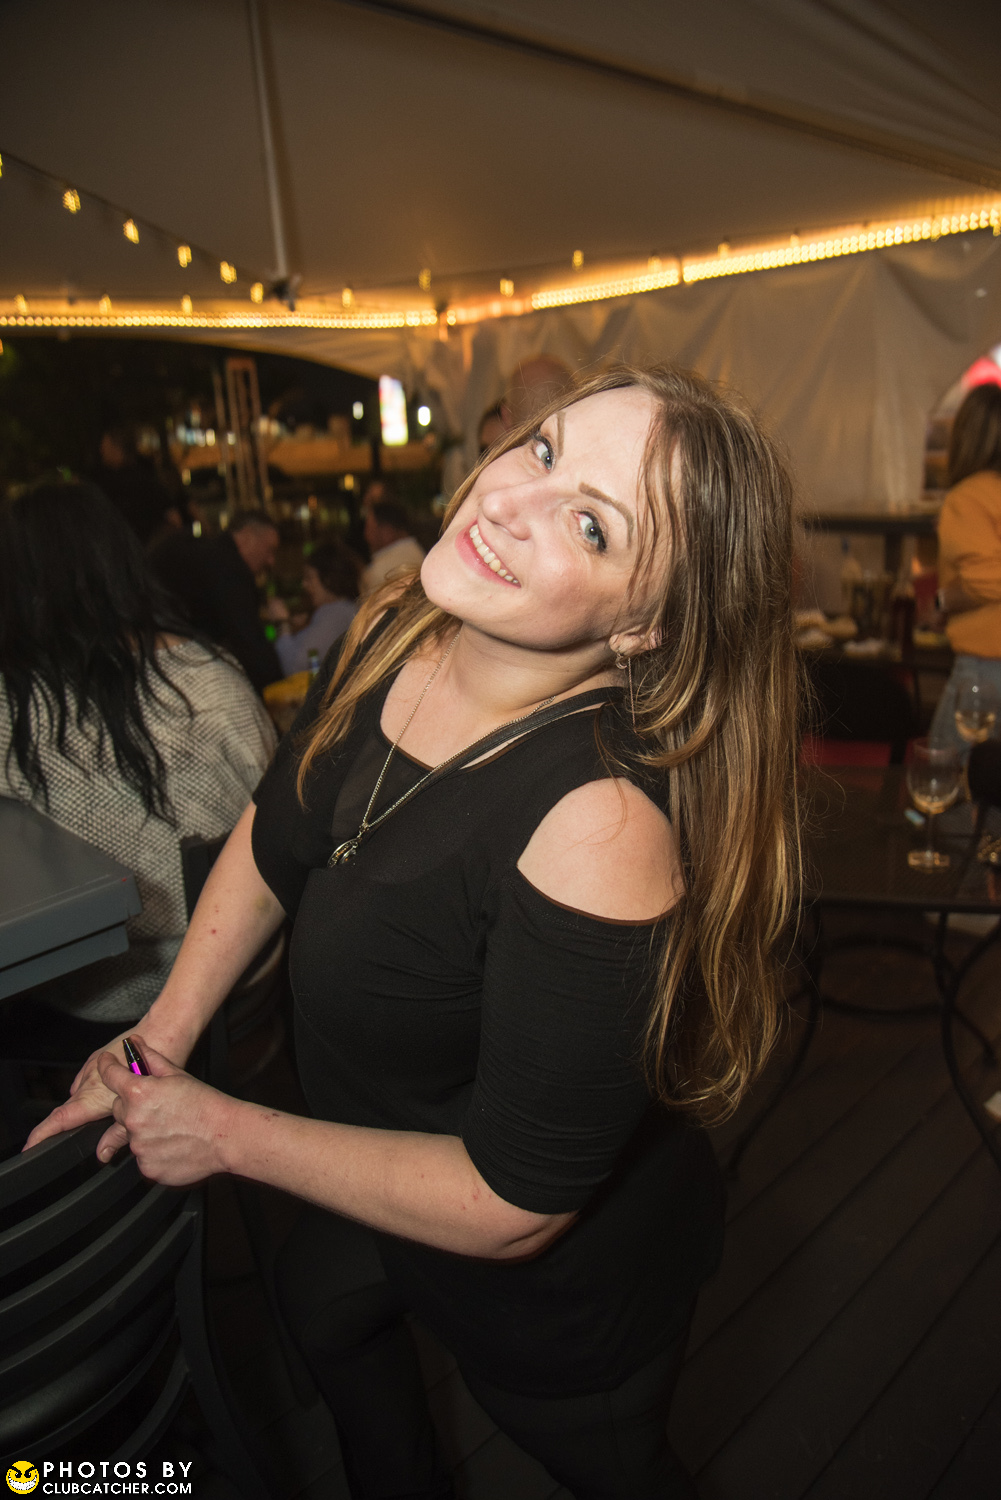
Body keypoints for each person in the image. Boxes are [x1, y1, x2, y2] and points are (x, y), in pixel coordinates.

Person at [30, 366, 801, 1499]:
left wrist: (220, 1132)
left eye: (590, 523)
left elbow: (512, 1207)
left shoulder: (598, 830)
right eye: (541, 449)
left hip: (551, 1293)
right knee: (319, 1311)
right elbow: (277, 831)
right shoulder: (399, 625)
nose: (509, 501)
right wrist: (158, 1040)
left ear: (642, 626)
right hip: (372, 1176)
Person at [0, 480, 276, 1023]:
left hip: (94, 995)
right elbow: (283, 808)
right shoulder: (210, 676)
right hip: (241, 968)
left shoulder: (14, 709)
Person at [930, 382, 1001, 749]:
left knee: (945, 770)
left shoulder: (968, 497)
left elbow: (989, 580)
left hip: (985, 668)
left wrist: (942, 601)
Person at [149, 509, 284, 692]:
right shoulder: (228, 567)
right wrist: (278, 687)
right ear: (247, 537)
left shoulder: (205, 553)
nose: (271, 561)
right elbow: (249, 640)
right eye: (269, 550)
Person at [268, 539, 360, 677]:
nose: (304, 584)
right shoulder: (346, 609)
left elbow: (295, 666)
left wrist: (282, 623)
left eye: (309, 578)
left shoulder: (334, 614)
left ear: (329, 580)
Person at [91, 426, 181, 545]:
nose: (101, 451)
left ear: (117, 448)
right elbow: (173, 517)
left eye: (105, 446)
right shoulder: (146, 476)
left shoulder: (112, 484)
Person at [360, 494, 425, 595]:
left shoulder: (379, 571)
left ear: (387, 531)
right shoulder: (417, 550)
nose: (366, 535)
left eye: (369, 528)